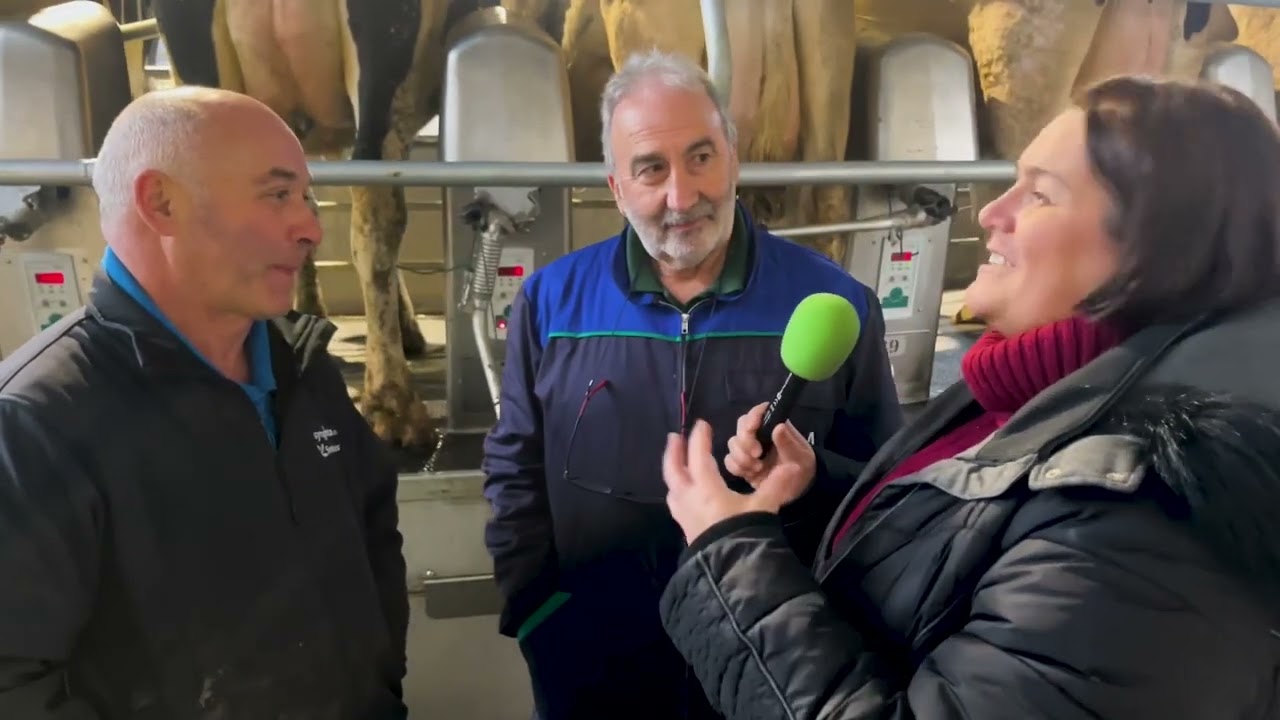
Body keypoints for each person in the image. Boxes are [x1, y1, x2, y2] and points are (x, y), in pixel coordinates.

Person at [658, 74, 1280, 719]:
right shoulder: (1022, 393)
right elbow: (954, 558)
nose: (990, 212)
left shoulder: (1142, 526)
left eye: (1040, 193)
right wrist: (813, 493)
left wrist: (731, 557)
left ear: (1155, 250)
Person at [482, 50, 903, 720]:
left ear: (733, 159)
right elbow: (515, 468)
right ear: (617, 187)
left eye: (701, 157)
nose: (683, 195)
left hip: (771, 664)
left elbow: (888, 487)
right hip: (592, 659)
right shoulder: (550, 303)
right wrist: (536, 612)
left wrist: (813, 472)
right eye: (651, 169)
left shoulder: (833, 303)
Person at [0, 87, 410, 718]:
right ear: (161, 202)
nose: (310, 227)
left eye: (306, 196)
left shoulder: (304, 371)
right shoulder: (36, 424)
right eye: (278, 195)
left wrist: (382, 688)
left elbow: (374, 538)